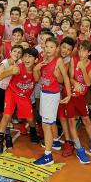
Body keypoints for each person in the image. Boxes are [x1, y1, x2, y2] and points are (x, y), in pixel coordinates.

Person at [33, 37, 71, 166]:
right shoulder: (43, 59)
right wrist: (35, 69)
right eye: (46, 46)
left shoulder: (58, 60)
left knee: (46, 125)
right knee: (49, 122)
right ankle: (54, 142)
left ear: (56, 49)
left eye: (51, 47)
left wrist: (69, 94)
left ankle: (48, 156)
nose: (48, 49)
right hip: (44, 93)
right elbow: (38, 79)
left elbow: (65, 78)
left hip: (52, 95)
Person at [0, 48, 40, 154]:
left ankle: (33, 131)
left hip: (24, 96)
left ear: (36, 60)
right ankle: (0, 139)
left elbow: (37, 79)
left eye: (30, 56)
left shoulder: (36, 70)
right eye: (25, 56)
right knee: (7, 115)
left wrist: (36, 70)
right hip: (12, 93)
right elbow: (0, 77)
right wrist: (9, 71)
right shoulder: (17, 67)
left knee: (30, 118)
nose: (27, 59)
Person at [68, 40, 91, 164]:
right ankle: (79, 148)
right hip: (71, 96)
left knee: (86, 120)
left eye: (84, 50)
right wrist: (75, 83)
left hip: (80, 97)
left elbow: (89, 83)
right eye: (80, 49)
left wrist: (83, 68)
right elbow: (70, 77)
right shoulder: (73, 61)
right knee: (72, 121)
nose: (81, 52)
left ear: (90, 52)